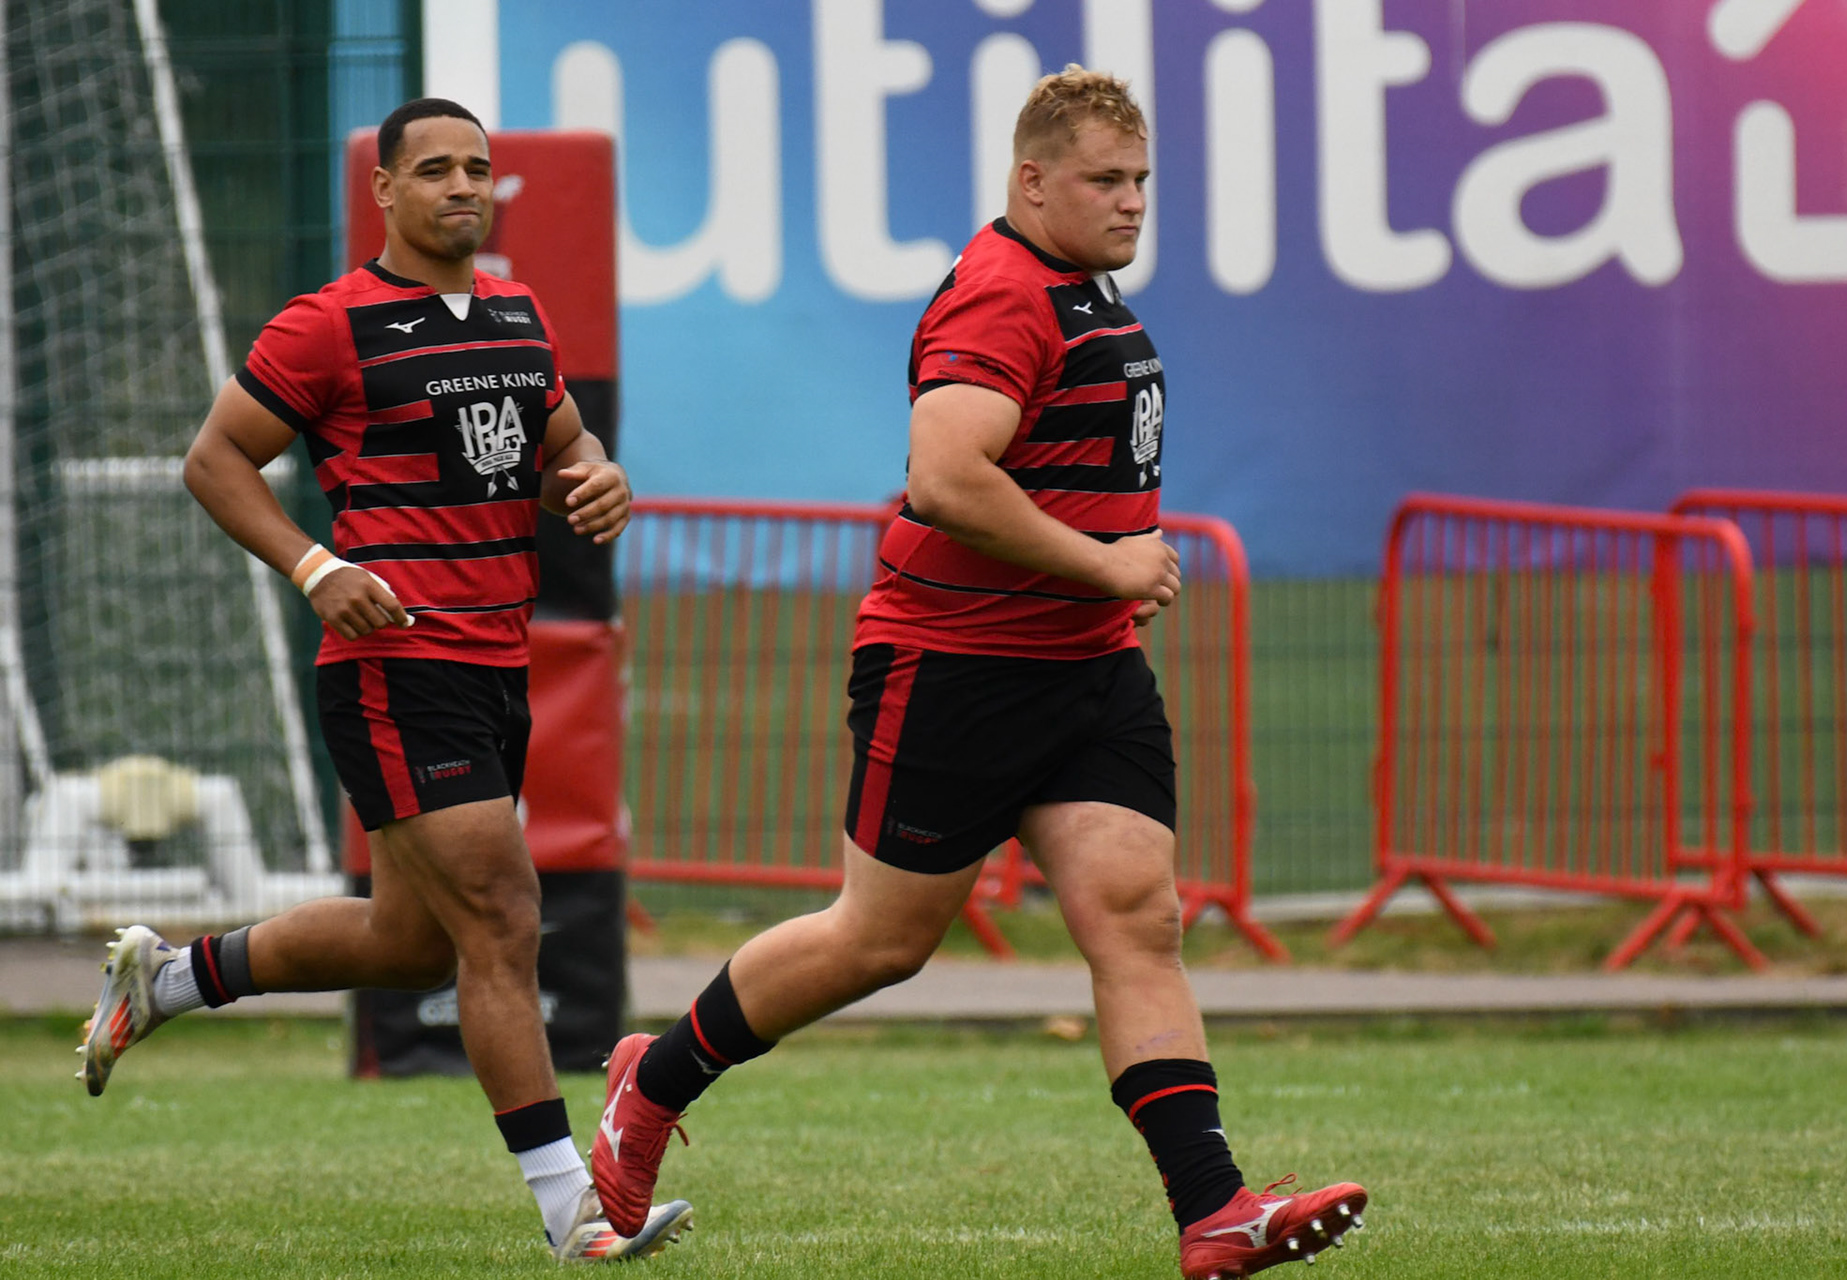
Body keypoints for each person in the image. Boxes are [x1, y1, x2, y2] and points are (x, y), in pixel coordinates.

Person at [591, 67, 1366, 1277]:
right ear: (1031, 178)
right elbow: (948, 476)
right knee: (878, 941)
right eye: (1104, 180)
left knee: (1136, 915)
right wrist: (1106, 564)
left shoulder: (1079, 284)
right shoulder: (1004, 293)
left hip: (1084, 670)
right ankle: (656, 1078)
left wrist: (1098, 589)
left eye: (1141, 180)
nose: (1129, 203)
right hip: (955, 665)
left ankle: (1213, 1208)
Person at [78, 97, 692, 1264]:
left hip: (495, 664)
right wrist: (317, 565)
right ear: (387, 190)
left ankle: (171, 978)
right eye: (438, 169)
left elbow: (565, 450)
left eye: (480, 169)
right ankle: (576, 1211)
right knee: (507, 920)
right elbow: (213, 460)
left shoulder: (516, 312)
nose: (464, 186)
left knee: (416, 944)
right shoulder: (331, 324)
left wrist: (597, 477)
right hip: (394, 664)